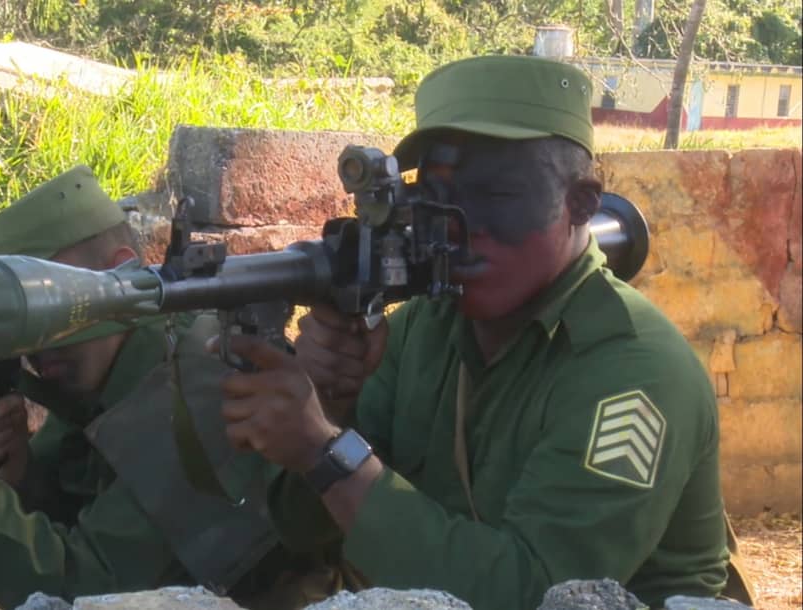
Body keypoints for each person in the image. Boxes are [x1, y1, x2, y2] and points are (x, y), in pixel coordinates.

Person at [210, 55, 748, 610]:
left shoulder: (634, 371)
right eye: (438, 198)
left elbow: (537, 596)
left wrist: (326, 452)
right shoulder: (426, 327)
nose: (458, 229)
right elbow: (303, 530)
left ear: (580, 203)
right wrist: (329, 403)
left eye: (498, 196)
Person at [0, 165, 351, 609]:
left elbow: (73, 593)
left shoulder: (201, 384)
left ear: (119, 275)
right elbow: (77, 512)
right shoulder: (110, 365)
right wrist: (20, 471)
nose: (30, 346)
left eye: (44, 308)